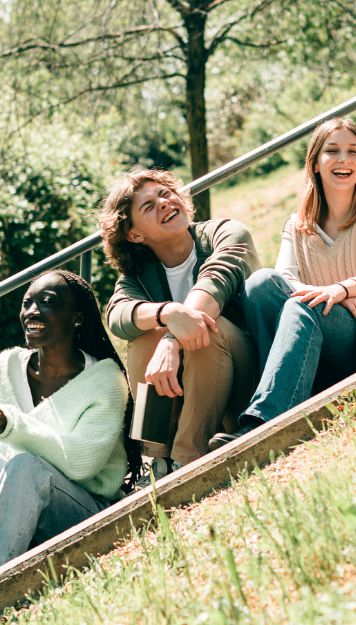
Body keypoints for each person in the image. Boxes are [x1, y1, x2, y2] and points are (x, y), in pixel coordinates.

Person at [0, 270, 140, 599]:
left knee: (27, 465)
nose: (32, 311)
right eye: (27, 303)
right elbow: (8, 456)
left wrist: (13, 425)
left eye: (47, 302)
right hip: (22, 506)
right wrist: (10, 432)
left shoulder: (105, 380)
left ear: (77, 318)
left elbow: (81, 464)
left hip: (86, 508)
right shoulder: (8, 366)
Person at [208, 119, 356, 449]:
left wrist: (342, 291)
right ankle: (286, 391)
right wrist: (339, 297)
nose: (344, 159)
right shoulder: (297, 223)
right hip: (318, 323)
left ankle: (266, 422)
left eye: (352, 151)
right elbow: (284, 280)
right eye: (332, 151)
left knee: (301, 304)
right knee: (259, 283)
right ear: (315, 163)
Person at [100, 170, 260, 482]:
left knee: (203, 331)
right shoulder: (138, 277)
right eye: (148, 206)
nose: (163, 203)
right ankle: (157, 462)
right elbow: (117, 315)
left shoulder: (225, 233)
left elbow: (217, 282)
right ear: (134, 235)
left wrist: (173, 336)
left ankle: (188, 460)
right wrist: (167, 312)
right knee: (146, 334)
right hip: (190, 399)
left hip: (247, 385)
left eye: (165, 193)